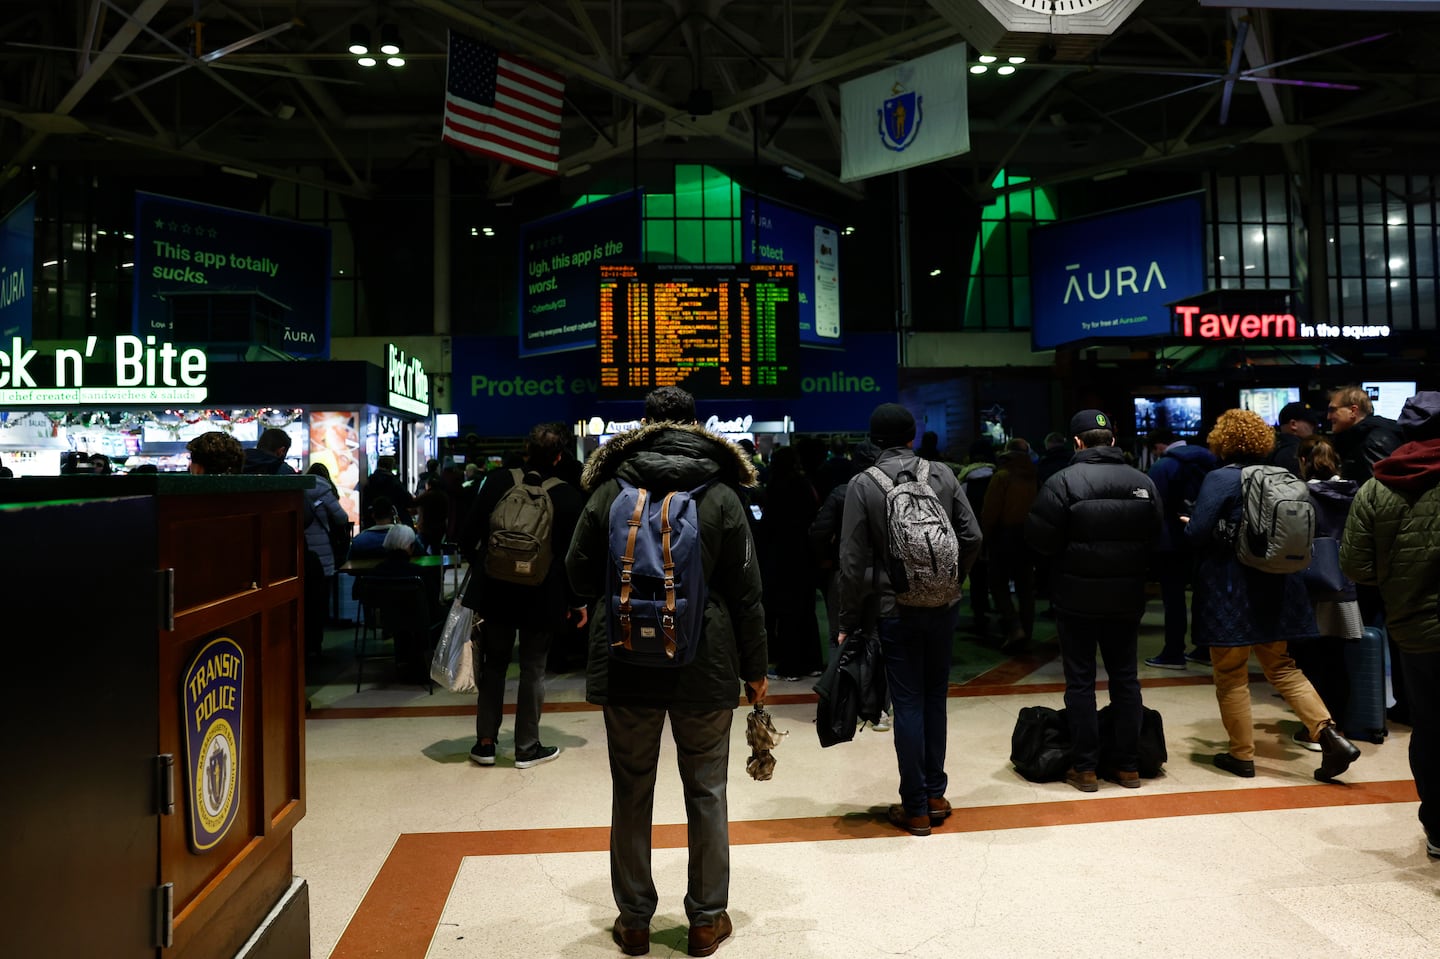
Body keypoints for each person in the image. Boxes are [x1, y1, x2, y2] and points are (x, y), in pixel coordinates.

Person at [565, 385, 767, 958]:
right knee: (707, 788)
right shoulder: (723, 493)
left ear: (645, 424)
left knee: (631, 789)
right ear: (695, 424)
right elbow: (747, 592)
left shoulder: (609, 487)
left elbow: (577, 574)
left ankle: (633, 922)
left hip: (627, 663)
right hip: (705, 664)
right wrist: (755, 668)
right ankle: (705, 920)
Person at [1184, 408, 1361, 782]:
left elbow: (1198, 533)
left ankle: (1242, 756)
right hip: (1280, 585)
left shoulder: (1220, 478)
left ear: (1222, 441)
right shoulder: (1283, 476)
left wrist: (1198, 525)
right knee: (1283, 667)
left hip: (1231, 589)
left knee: (1230, 673)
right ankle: (1329, 736)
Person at [838, 402, 981, 836]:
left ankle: (915, 806)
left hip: (892, 608)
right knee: (935, 697)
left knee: (908, 704)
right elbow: (972, 535)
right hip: (943, 606)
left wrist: (846, 618)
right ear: (912, 436)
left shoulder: (863, 483)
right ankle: (935, 793)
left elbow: (850, 560)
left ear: (872, 440)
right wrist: (951, 581)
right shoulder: (942, 474)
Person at [1025, 409, 1163, 791]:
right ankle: (1128, 765)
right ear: (1113, 441)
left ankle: (1085, 768)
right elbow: (1158, 537)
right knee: (1125, 679)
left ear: (1077, 443)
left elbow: (1038, 539)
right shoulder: (1143, 482)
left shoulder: (1061, 482)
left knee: (1081, 681)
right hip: (1127, 597)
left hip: (1075, 597)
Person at [1340, 390, 1440, 861]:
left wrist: (1398, 573)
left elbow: (1355, 566)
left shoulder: (1377, 487)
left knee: (1431, 726)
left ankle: (1438, 828)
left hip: (1416, 627)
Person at [457, 422, 587, 770]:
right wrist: (577, 601)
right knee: (533, 670)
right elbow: (573, 556)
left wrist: (486, 567)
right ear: (560, 457)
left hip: (496, 592)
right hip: (542, 594)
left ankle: (485, 743)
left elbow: (466, 534)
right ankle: (527, 747)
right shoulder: (567, 495)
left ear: (526, 451)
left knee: (494, 665)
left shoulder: (497, 482)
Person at [1327, 384, 1408, 723]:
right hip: (1389, 555)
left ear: (1354, 411)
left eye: (1334, 409)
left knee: (1372, 628)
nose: (1329, 415)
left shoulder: (1371, 441)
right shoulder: (1382, 435)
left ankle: (1373, 705)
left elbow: (1380, 500)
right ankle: (1397, 704)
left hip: (1380, 556)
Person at [1291, 435, 1361, 748]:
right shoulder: (1356, 492)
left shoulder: (1301, 495)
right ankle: (1341, 726)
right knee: (1338, 660)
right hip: (1345, 586)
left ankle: (1317, 730)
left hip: (1310, 586)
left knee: (1309, 661)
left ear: (1304, 461)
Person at [1143, 428, 1218, 668]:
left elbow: (1151, 507)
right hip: (1205, 538)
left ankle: (1173, 651)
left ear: (1159, 446)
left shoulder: (1162, 467)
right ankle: (1205, 649)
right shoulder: (1210, 459)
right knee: (1203, 594)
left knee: (1173, 600)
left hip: (1170, 543)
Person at [759, 445, 823, 681]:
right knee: (806, 611)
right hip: (806, 557)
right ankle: (813, 662)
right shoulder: (805, 485)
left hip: (783, 558)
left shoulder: (778, 486)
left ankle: (790, 666)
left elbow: (769, 526)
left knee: (786, 614)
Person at [981, 437, 1039, 653]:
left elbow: (990, 512)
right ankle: (1027, 631)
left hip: (1004, 536)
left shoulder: (1002, 476)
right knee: (1025, 586)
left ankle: (1014, 627)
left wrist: (985, 538)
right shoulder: (1033, 476)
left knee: (997, 583)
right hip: (1028, 535)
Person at [304, 462, 350, 659]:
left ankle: (305, 644)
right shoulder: (324, 491)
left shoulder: (298, 491)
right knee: (320, 601)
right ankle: (316, 644)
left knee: (305, 602)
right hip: (323, 554)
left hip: (304, 553)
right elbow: (342, 518)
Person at [1327, 385, 1403, 485]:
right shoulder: (1358, 437)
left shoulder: (1373, 440)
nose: (1328, 417)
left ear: (1353, 411)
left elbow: (1380, 491)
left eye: (1333, 410)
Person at [1267, 401, 1321, 477]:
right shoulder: (1295, 452)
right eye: (1311, 423)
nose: (1315, 427)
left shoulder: (1274, 447)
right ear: (1293, 424)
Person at [360, 455, 413, 529]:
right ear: (390, 466)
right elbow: (407, 499)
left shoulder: (370, 481)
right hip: (391, 522)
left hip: (372, 522)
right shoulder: (393, 481)